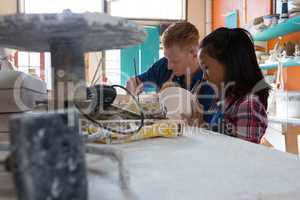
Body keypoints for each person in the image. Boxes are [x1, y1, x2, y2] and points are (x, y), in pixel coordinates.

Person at [126, 22, 215, 123]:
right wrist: (132, 89)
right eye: (167, 58)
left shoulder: (211, 80)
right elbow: (136, 82)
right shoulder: (163, 65)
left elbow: (211, 129)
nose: (169, 66)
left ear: (194, 53)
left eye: (174, 61)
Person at [198, 27, 270, 143]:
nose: (204, 77)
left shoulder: (248, 106)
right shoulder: (226, 99)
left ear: (229, 63)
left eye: (206, 68)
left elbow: (244, 156)